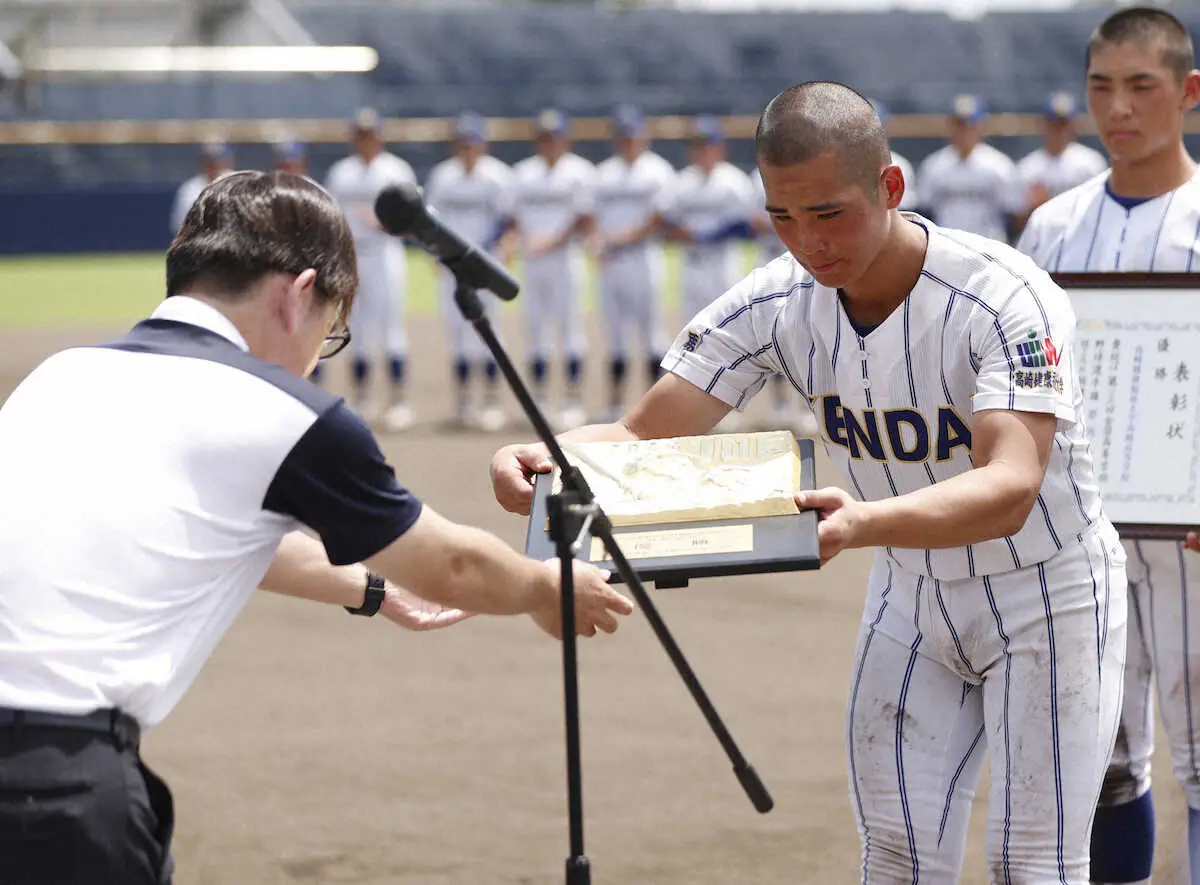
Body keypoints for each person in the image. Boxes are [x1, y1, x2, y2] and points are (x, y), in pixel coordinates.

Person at [493, 81, 1128, 884]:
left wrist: (863, 522)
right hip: (911, 586)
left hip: (1048, 589)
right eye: (782, 217)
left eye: (828, 213)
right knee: (896, 857)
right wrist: (544, 454)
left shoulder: (1002, 297)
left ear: (890, 187)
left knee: (1032, 863)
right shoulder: (780, 299)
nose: (807, 241)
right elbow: (637, 434)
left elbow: (1010, 485)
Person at [0, 170, 632, 885]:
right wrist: (543, 587)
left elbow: (201, 528)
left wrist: (367, 587)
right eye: (329, 334)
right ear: (299, 293)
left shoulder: (63, 375)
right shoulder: (283, 411)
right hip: (55, 788)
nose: (315, 357)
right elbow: (451, 564)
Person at [1017, 9, 1200, 884]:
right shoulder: (1052, 229)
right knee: (1105, 758)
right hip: (1082, 530)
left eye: (1142, 86)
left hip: (1195, 537)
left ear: (1189, 93)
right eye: (1101, 86)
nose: (1118, 107)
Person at [324, 108, 418, 430]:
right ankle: (362, 398)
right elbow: (331, 215)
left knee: (391, 325)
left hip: (384, 253)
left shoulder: (396, 170)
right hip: (351, 255)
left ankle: (398, 399)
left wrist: (382, 223)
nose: (365, 139)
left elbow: (413, 219)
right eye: (360, 133)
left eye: (370, 133)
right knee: (356, 327)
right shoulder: (341, 173)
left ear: (380, 136)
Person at [424, 111, 514, 431]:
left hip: (487, 263)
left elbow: (507, 220)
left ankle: (490, 400)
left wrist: (495, 247)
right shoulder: (443, 176)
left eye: (472, 142)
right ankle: (463, 401)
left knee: (489, 331)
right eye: (462, 143)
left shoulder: (497, 176)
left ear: (483, 144)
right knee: (458, 334)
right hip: (453, 265)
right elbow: (431, 220)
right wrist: (439, 252)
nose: (467, 149)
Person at [509, 109, 596, 430]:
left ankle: (573, 399)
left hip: (565, 261)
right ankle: (541, 399)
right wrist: (512, 242)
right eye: (544, 137)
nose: (549, 142)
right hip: (532, 262)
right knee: (534, 330)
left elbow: (584, 217)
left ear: (565, 139)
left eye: (555, 136)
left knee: (570, 327)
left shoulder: (579, 172)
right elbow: (514, 219)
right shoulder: (523, 173)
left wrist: (551, 240)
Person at [592, 104, 677, 422]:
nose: (628, 140)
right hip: (612, 263)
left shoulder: (657, 170)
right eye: (622, 135)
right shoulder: (604, 173)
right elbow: (591, 217)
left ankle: (655, 406)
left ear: (643, 136)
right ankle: (615, 403)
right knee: (614, 334)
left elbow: (659, 217)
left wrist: (622, 238)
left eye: (633, 134)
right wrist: (596, 241)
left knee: (652, 332)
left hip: (644, 259)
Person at [662, 115, 755, 323]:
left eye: (707, 144)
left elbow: (745, 226)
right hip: (691, 265)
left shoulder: (734, 181)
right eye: (697, 145)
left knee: (729, 324)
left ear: (720, 148)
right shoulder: (681, 182)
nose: (702, 151)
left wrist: (703, 235)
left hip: (723, 263)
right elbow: (667, 221)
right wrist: (679, 232)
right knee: (692, 327)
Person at [917, 94, 1023, 242]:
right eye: (959, 124)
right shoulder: (933, 166)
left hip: (988, 247)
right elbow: (925, 213)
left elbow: (1012, 214)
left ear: (981, 126)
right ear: (950, 126)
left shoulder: (999, 166)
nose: (964, 131)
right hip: (946, 247)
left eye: (970, 125)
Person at [1015, 92, 1107, 228]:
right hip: (1044, 237)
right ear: (1043, 124)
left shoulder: (1091, 163)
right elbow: (1017, 222)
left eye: (1063, 123)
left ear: (1074, 125)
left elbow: (1104, 209)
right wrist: (1032, 208)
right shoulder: (1028, 167)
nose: (1059, 130)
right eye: (1053, 123)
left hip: (1083, 234)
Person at [169, 138, 233, 233]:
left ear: (227, 160)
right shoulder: (190, 189)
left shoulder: (237, 182)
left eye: (218, 160)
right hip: (200, 242)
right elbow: (179, 224)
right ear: (202, 162)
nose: (213, 165)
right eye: (209, 161)